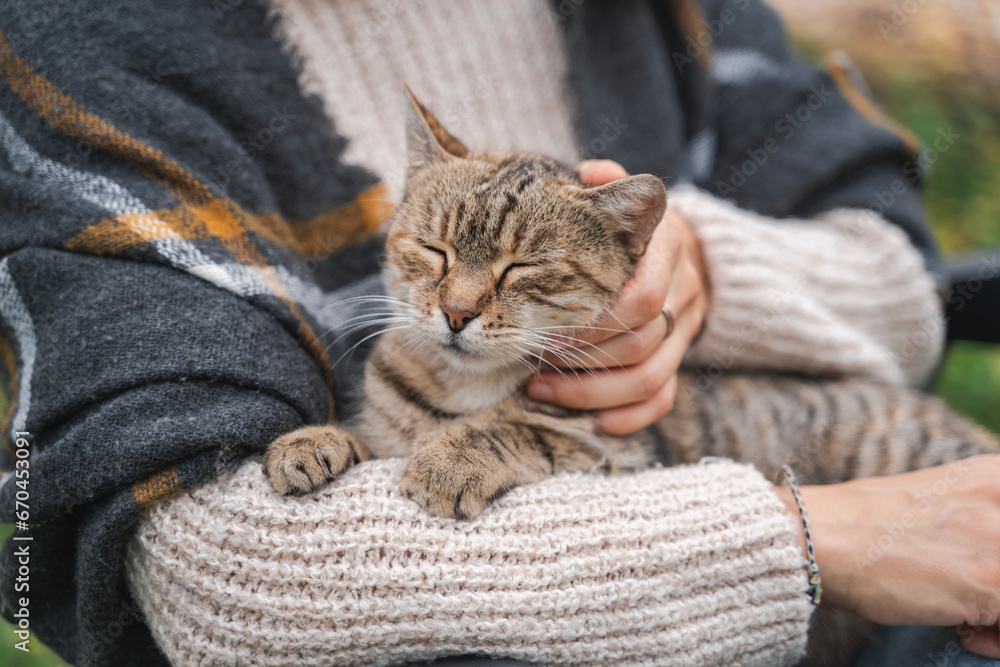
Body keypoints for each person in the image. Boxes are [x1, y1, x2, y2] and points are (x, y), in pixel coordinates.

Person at [0, 0, 997, 665]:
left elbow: (902, 289)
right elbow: (208, 573)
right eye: (430, 260)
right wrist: (822, 539)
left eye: (518, 277)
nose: (463, 306)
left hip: (879, 485)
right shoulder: (93, 51)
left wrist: (710, 270)